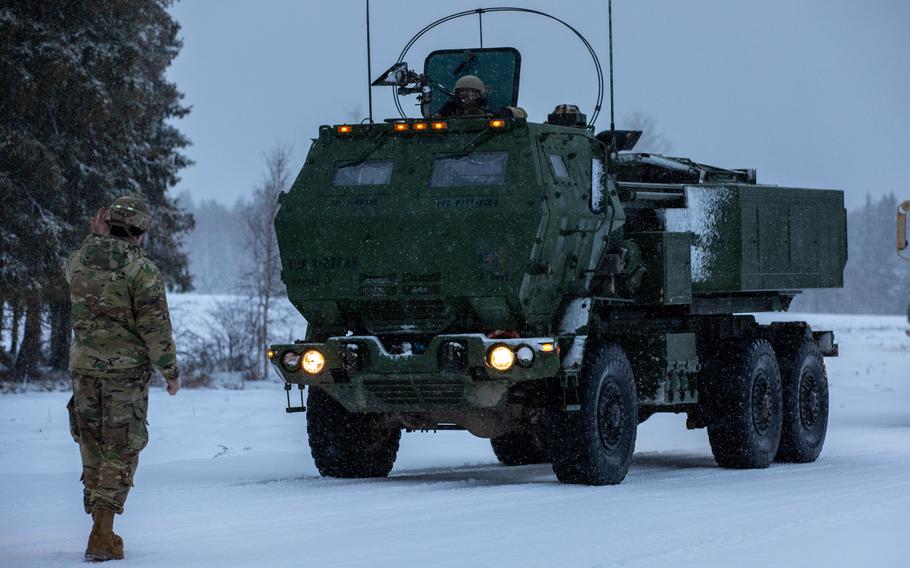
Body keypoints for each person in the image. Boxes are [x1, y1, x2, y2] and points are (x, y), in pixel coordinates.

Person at [65, 195, 180, 562]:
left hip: (83, 370)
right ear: (140, 230)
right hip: (124, 375)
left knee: (92, 447)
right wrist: (170, 371)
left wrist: (94, 239)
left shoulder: (80, 259)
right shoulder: (140, 270)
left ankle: (98, 526)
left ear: (106, 222)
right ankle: (102, 534)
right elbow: (155, 326)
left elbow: (74, 269)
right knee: (120, 448)